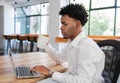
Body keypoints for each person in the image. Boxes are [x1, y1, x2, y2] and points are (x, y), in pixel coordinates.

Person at [31, 4, 105, 83]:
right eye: (61, 24)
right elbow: (59, 58)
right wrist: (46, 45)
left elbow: (83, 81)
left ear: (77, 24)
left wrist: (50, 73)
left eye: (65, 24)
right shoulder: (73, 42)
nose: (61, 27)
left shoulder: (87, 46)